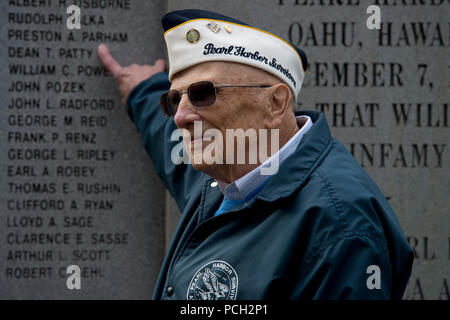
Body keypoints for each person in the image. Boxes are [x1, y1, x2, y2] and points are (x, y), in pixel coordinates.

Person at [97, 9, 413, 300]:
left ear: (275, 104)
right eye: (173, 100)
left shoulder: (341, 226)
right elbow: (170, 145)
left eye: (203, 93)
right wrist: (142, 91)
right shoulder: (231, 167)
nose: (180, 117)